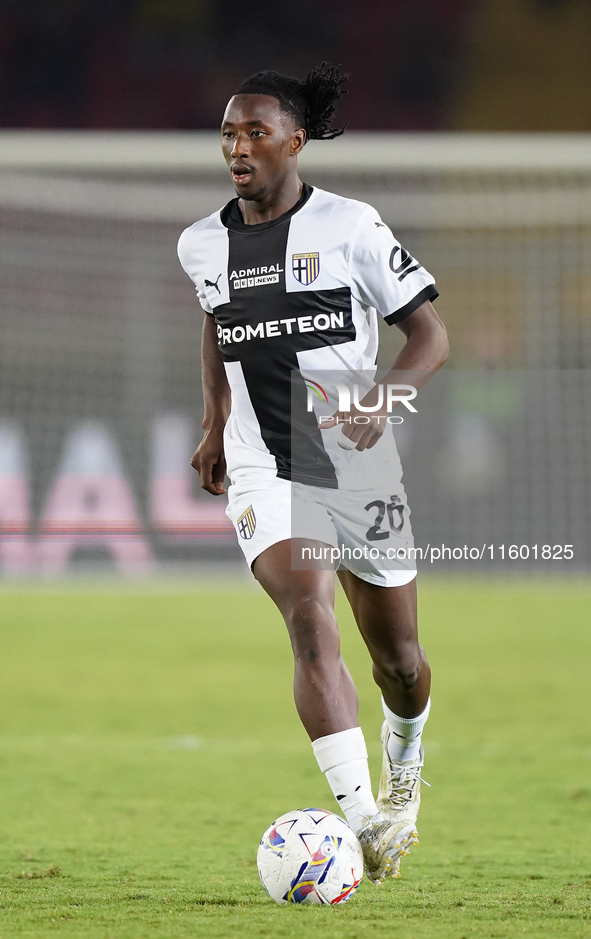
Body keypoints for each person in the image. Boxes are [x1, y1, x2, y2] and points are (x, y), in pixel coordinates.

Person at [178, 63, 449, 885]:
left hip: (359, 464)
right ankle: (363, 817)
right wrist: (216, 422)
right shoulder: (202, 242)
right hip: (267, 464)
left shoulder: (352, 226)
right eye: (228, 132)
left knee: (398, 658)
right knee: (306, 609)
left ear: (295, 140)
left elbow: (429, 336)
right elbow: (217, 326)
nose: (237, 146)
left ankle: (403, 765)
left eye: (254, 131)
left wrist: (386, 400)